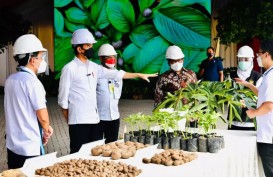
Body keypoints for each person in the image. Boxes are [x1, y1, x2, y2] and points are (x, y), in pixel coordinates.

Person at [58, 29, 157, 153]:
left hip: (94, 120)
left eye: (92, 45)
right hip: (78, 121)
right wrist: (70, 121)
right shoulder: (69, 69)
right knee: (77, 154)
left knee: (93, 153)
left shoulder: (93, 67)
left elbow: (116, 74)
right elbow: (62, 100)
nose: (91, 48)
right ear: (79, 49)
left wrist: (138, 74)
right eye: (88, 45)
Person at [4, 34, 53, 169]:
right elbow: (43, 118)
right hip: (29, 148)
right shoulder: (33, 83)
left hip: (12, 145)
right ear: (32, 59)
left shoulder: (10, 80)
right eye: (41, 57)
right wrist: (47, 129)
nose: (42, 60)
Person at [235, 39, 273, 177]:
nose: (258, 57)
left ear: (267, 55)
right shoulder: (268, 74)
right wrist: (248, 85)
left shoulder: (270, 77)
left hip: (269, 136)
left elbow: (269, 105)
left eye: (259, 54)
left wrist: (253, 113)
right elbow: (263, 94)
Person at [228, 46, 262, 131]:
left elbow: (261, 95)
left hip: (251, 121)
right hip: (234, 121)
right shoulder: (231, 75)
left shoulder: (257, 77)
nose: (243, 61)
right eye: (241, 59)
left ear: (252, 60)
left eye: (246, 59)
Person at [96, 44, 123, 144]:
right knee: (96, 147)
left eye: (113, 57)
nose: (111, 59)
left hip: (114, 118)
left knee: (112, 146)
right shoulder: (96, 73)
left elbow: (117, 94)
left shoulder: (118, 75)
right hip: (98, 119)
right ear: (101, 58)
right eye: (108, 57)